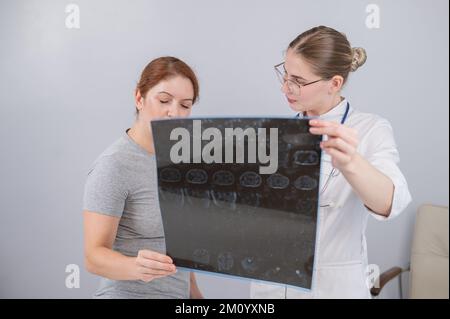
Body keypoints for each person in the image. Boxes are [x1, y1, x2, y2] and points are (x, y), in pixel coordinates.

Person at [250, 26, 412, 298]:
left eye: (298, 81)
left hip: (333, 288)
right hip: (272, 285)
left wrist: (351, 164)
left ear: (334, 83)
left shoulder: (370, 129)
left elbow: (390, 202)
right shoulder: (273, 134)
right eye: (285, 75)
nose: (285, 87)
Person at [83, 56, 203, 299]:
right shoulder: (114, 165)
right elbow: (94, 257)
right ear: (139, 98)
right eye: (164, 100)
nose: (174, 113)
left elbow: (181, 249)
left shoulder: (181, 161)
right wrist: (136, 267)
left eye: (185, 104)